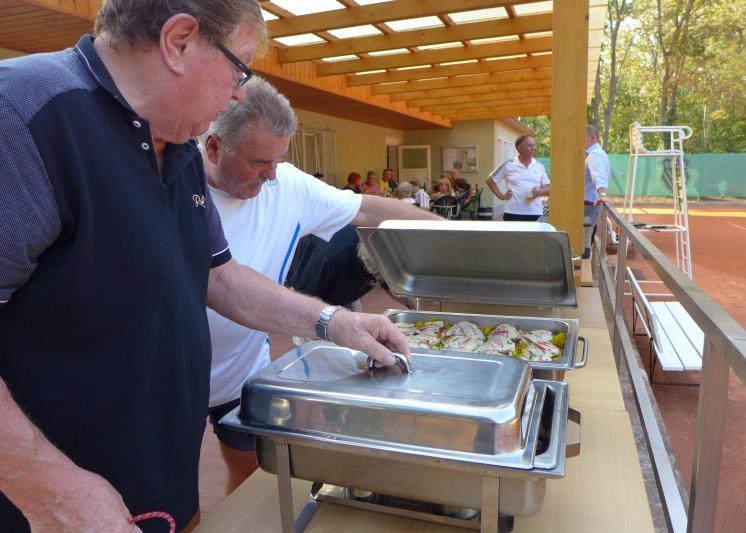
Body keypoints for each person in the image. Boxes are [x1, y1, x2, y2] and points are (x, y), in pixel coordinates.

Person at [0, 4, 407, 532]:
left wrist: (334, 321)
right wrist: (49, 489)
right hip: (51, 502)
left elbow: (219, 275)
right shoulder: (23, 116)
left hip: (160, 469)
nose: (238, 93)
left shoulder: (180, 147)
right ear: (179, 41)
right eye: (239, 69)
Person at [201, 76, 441, 495]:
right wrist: (332, 321)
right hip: (169, 378)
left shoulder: (286, 184)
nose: (271, 175)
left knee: (249, 475)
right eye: (258, 162)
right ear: (213, 147)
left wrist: (459, 235)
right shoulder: (175, 183)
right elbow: (223, 284)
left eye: (278, 160)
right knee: (172, 505)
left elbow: (366, 209)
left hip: (240, 370)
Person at [485, 134, 550, 221]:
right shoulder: (508, 164)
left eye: (534, 145)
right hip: (512, 212)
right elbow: (489, 180)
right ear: (519, 148)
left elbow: (548, 187)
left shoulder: (539, 166)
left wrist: (538, 192)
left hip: (535, 212)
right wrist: (501, 196)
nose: (533, 148)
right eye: (529, 145)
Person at [583, 125, 611, 258]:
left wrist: (602, 194)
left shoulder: (595, 155)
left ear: (592, 137)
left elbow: (599, 176)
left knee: (584, 247)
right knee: (585, 244)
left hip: (588, 206)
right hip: (588, 206)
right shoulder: (595, 154)